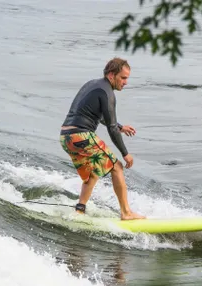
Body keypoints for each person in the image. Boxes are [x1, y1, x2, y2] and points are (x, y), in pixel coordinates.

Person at [59, 57, 146, 220]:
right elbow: (111, 128)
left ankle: (80, 209)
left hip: (66, 137)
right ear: (111, 75)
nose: (126, 82)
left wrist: (120, 127)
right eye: (123, 78)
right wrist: (125, 153)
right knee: (117, 167)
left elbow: (99, 117)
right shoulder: (107, 93)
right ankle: (126, 212)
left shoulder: (92, 85)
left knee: (93, 172)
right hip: (81, 135)